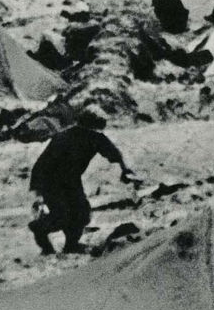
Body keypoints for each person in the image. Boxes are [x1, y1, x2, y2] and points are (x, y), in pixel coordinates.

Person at [29, 108, 139, 255]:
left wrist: (124, 169)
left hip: (69, 180)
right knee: (63, 215)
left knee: (81, 214)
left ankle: (70, 246)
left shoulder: (88, 137)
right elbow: (43, 164)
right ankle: (41, 230)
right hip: (53, 181)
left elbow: (112, 153)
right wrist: (39, 190)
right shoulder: (69, 137)